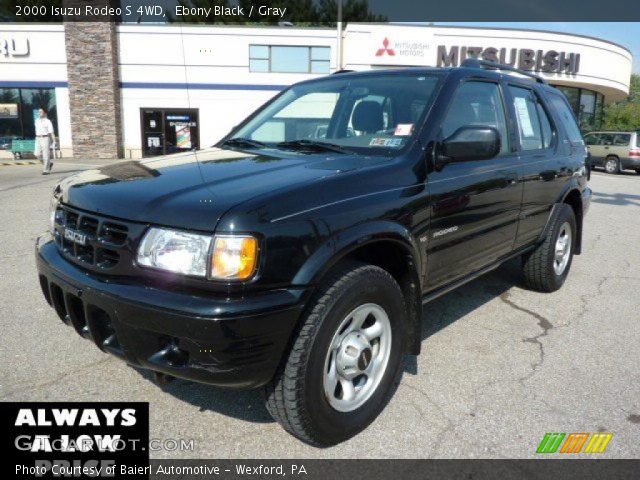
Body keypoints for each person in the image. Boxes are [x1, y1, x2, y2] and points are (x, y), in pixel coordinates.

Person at [34, 107, 55, 175]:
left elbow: (51, 132)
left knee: (46, 155)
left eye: (41, 112)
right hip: (38, 138)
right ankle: (49, 164)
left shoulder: (48, 121)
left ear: (45, 113)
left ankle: (46, 170)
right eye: (38, 112)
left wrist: (54, 141)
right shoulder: (36, 120)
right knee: (37, 154)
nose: (39, 113)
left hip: (45, 138)